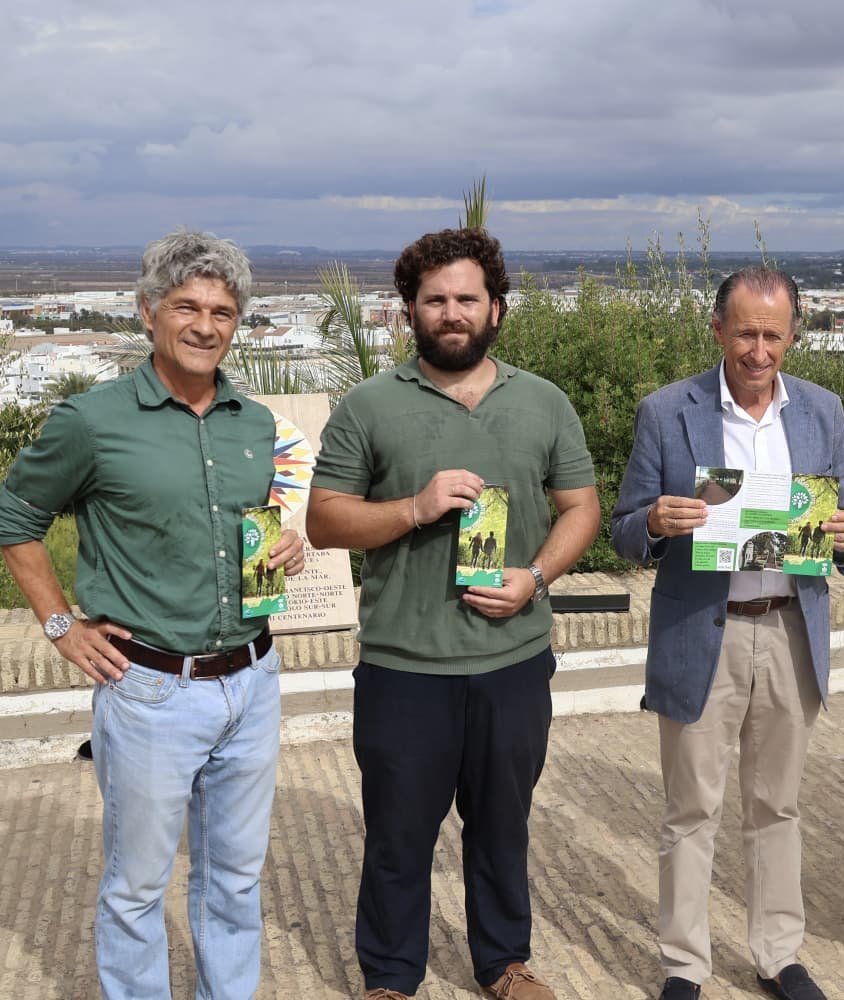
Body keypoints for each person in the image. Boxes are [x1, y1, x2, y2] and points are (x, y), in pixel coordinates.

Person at [0, 229, 305, 999]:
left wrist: (286, 547)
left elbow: (249, 526)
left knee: (234, 881)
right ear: (147, 313)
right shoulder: (92, 421)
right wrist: (62, 625)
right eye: (187, 307)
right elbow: (13, 516)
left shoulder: (255, 424)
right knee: (137, 888)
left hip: (253, 679)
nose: (206, 325)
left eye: (223, 311)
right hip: (149, 691)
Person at [306, 227, 599, 1000]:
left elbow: (582, 509)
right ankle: (392, 977)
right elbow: (325, 521)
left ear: (496, 308)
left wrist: (534, 577)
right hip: (406, 667)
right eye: (434, 300)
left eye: (467, 298)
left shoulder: (544, 402)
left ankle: (505, 964)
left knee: (503, 831)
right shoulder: (368, 406)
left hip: (514, 661)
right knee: (399, 839)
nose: (452, 312)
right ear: (410, 312)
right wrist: (412, 506)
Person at [611, 266, 844, 1000]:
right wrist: (656, 522)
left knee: (777, 806)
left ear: (792, 336)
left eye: (773, 334)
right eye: (746, 332)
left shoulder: (824, 411)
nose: (759, 349)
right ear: (718, 329)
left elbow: (840, 530)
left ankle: (778, 955)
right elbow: (626, 530)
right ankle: (684, 965)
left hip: (789, 629)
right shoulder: (667, 411)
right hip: (703, 632)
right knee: (691, 809)